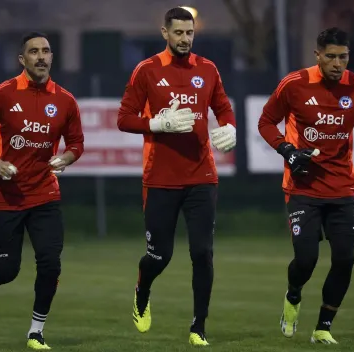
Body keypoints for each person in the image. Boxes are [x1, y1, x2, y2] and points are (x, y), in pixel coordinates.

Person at [117, 7, 236, 346]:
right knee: (159, 256)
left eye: (190, 33)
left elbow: (223, 108)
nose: (185, 39)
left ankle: (199, 327)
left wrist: (230, 127)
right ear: (165, 33)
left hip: (202, 176)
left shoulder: (207, 69)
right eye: (179, 33)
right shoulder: (147, 70)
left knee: (202, 253)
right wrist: (155, 123)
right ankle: (142, 290)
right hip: (160, 178)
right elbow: (124, 118)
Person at [0, 32, 84, 350]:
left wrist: (66, 158)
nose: (41, 56)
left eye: (46, 51)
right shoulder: (2, 95)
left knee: (50, 264)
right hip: (4, 195)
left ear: (52, 57)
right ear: (22, 59)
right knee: (8, 268)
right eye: (34, 52)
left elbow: (76, 144)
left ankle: (36, 331)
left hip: (44, 193)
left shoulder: (65, 100)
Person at [258, 27, 354, 344]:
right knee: (306, 260)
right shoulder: (294, 85)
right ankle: (293, 295)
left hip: (342, 189)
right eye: (331, 57)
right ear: (317, 55)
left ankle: (323, 327)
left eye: (343, 57)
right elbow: (266, 122)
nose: (338, 64)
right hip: (303, 187)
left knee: (346, 259)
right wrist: (287, 151)